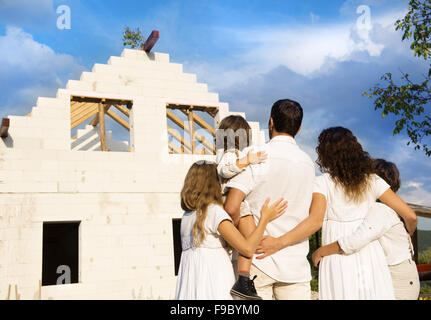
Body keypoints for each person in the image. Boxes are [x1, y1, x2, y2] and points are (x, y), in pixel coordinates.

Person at [256, 127, 417, 299]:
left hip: (335, 255)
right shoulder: (372, 181)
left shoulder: (322, 183)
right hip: (370, 256)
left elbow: (315, 221)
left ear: (325, 154)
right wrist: (408, 233)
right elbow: (410, 216)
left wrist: (278, 243)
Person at [224, 99, 315, 300]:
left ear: (271, 122)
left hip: (256, 262)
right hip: (295, 264)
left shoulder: (254, 155)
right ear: (299, 129)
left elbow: (231, 208)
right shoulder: (308, 164)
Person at [175, 161, 287, 300]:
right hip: (214, 281)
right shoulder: (213, 212)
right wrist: (265, 218)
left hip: (192, 284)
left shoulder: (187, 216)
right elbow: (247, 249)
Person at [312, 158, 420, 300]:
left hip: (398, 278)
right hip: (402, 274)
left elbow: (355, 241)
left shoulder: (381, 210)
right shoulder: (390, 210)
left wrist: (321, 251)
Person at [215, 115, 267, 300]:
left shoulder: (233, 154)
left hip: (236, 202)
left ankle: (243, 280)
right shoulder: (230, 154)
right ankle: (243, 281)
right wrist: (247, 160)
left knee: (250, 243)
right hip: (232, 200)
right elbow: (224, 170)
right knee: (252, 240)